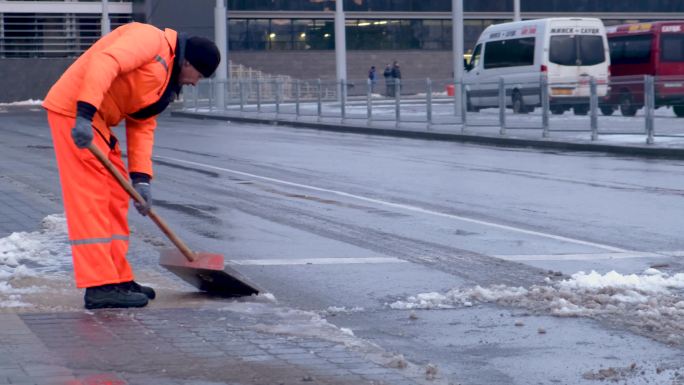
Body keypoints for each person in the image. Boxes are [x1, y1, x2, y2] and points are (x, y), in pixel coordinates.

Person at [42, 22, 220, 309]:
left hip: (96, 121)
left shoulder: (164, 80)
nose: (195, 82)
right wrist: (84, 114)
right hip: (75, 114)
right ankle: (99, 286)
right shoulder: (149, 40)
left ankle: (118, 279)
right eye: (198, 75)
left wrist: (142, 180)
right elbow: (105, 61)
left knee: (115, 198)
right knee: (93, 201)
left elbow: (142, 125)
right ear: (187, 62)